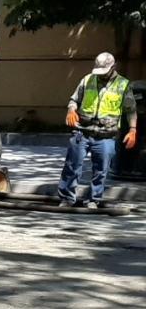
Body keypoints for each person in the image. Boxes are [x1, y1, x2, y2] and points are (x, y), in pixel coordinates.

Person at [59, 52, 137, 208]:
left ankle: (94, 199)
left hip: (106, 135)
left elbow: (131, 109)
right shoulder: (87, 79)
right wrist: (71, 110)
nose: (101, 75)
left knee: (100, 170)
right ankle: (67, 198)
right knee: (72, 166)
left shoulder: (123, 84)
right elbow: (74, 99)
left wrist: (133, 130)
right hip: (82, 131)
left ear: (113, 67)